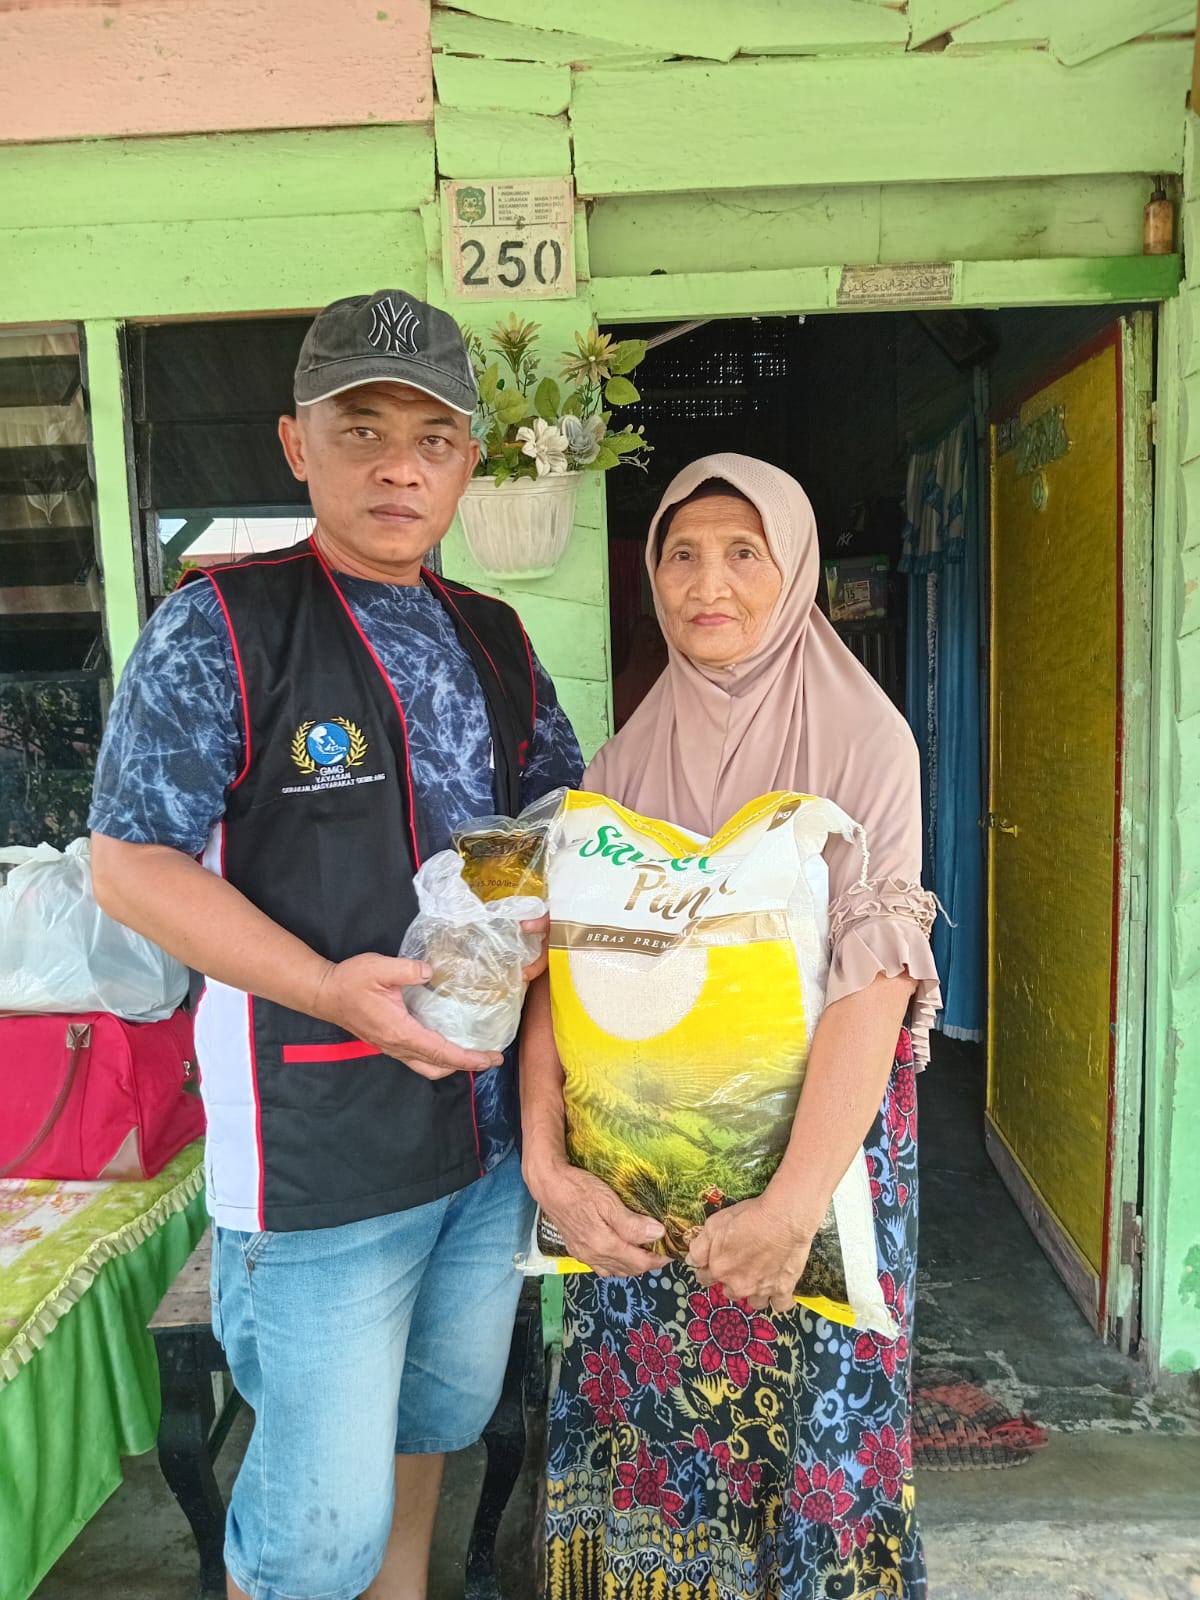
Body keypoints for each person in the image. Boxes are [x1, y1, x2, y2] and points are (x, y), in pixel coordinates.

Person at [88, 289, 583, 1600]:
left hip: (479, 1140)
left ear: (469, 462)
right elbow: (128, 865)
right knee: (315, 1535)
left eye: (433, 437)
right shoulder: (221, 629)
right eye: (361, 430)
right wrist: (326, 987)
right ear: (296, 445)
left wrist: (533, 927)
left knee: (433, 1424)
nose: (399, 466)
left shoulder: (495, 638)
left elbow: (545, 825)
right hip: (320, 1154)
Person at [521, 455, 941, 1600]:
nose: (709, 583)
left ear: (794, 569)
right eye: (683, 554)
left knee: (814, 1430)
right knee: (658, 1430)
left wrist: (791, 1207)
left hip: (816, 1170)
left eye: (744, 552)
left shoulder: (866, 743)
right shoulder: (620, 763)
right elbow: (561, 977)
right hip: (645, 1181)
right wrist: (548, 1167)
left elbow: (874, 982)